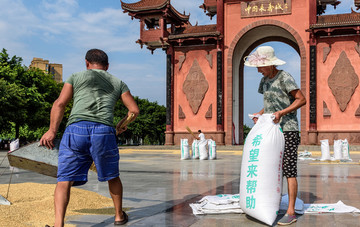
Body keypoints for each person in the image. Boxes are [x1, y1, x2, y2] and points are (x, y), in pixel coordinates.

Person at [40, 49, 139, 227]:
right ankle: (118, 216)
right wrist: (122, 124)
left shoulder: (76, 77)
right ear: (107, 66)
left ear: (86, 63)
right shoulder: (118, 82)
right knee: (112, 176)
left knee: (64, 180)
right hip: (104, 131)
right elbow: (134, 111)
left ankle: (58, 225)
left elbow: (60, 103)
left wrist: (51, 131)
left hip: (75, 129)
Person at [244, 46, 306, 226]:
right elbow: (270, 105)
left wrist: (282, 113)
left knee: (289, 169)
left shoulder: (285, 77)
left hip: (288, 129)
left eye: (261, 66)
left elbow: (301, 99)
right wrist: (260, 113)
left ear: (271, 64)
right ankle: (274, 203)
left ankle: (291, 211)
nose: (258, 70)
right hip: (271, 130)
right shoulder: (264, 81)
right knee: (271, 168)